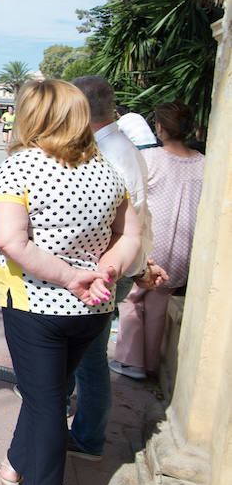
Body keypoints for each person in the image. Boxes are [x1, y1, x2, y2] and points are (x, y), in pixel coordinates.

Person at [0, 79, 141, 485]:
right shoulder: (106, 169)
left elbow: (10, 240)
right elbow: (128, 234)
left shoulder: (21, 166)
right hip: (92, 309)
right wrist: (106, 271)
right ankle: (17, 463)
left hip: (37, 304)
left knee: (45, 399)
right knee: (47, 391)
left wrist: (71, 277)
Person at [66, 75, 164, 461]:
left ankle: (88, 437)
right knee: (85, 353)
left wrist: (121, 268)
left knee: (90, 358)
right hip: (110, 267)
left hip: (105, 270)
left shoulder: (112, 152)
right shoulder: (113, 145)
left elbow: (123, 222)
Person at [112, 101, 205, 379]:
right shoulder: (204, 163)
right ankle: (151, 361)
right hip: (184, 246)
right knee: (159, 301)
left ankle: (130, 360)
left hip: (153, 242)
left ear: (160, 128)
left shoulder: (151, 159)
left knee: (132, 298)